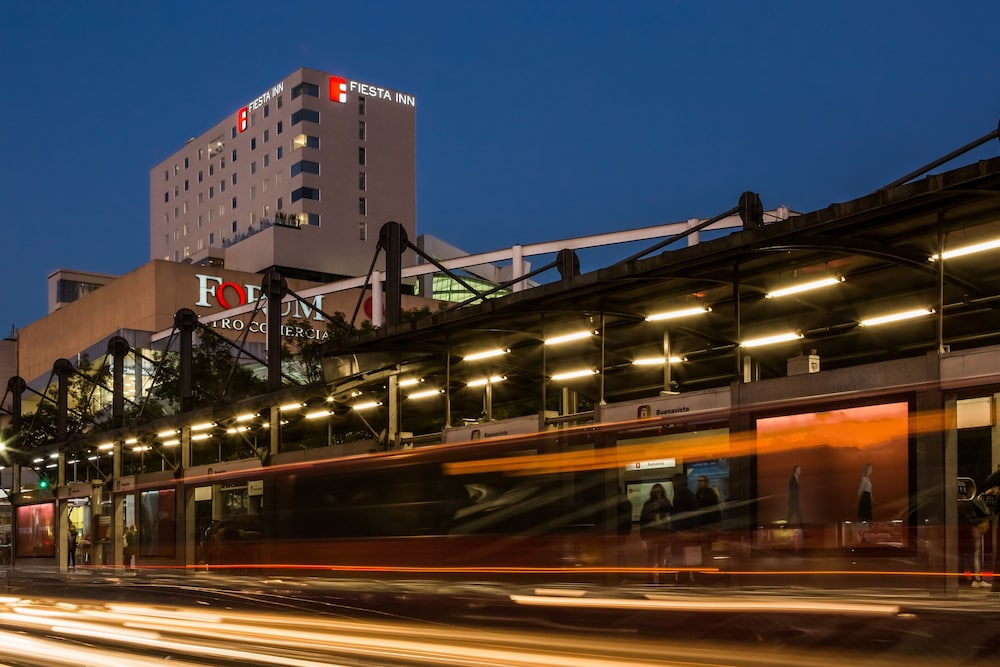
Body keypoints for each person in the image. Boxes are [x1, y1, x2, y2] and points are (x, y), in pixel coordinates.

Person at [639, 483, 671, 583]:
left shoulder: (665, 503)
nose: (658, 493)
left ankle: (661, 578)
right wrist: (643, 535)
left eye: (659, 491)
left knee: (660, 557)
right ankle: (650, 578)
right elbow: (643, 520)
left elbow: (670, 517)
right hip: (652, 534)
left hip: (661, 534)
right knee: (651, 557)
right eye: (656, 492)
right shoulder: (649, 504)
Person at [670, 473, 698, 582]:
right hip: (685, 531)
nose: (673, 484)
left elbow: (680, 514)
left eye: (674, 481)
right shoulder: (687, 493)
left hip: (681, 532)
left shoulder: (681, 494)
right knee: (684, 557)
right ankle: (685, 578)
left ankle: (683, 579)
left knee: (681, 556)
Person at [694, 475, 721, 568]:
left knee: (706, 550)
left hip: (708, 526)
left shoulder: (710, 493)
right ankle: (705, 569)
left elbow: (715, 510)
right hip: (701, 526)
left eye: (702, 481)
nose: (699, 483)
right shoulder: (698, 493)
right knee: (703, 550)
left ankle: (707, 569)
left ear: (706, 482)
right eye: (698, 481)